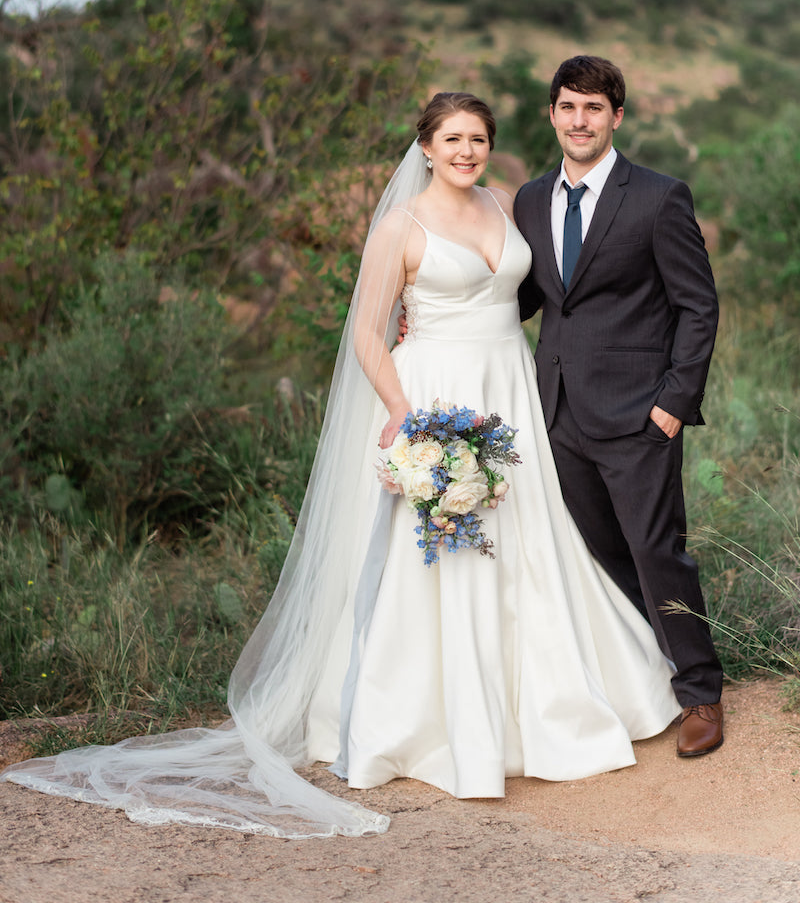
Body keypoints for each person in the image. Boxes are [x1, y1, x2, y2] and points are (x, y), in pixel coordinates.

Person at [1, 91, 680, 838]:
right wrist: (403, 417)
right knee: (440, 561)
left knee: (530, 544)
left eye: (478, 139)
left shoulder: (505, 203)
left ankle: (546, 708)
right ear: (425, 146)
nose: (466, 151)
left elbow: (533, 292)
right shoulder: (399, 225)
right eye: (452, 138)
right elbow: (366, 333)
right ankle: (436, 726)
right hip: (435, 398)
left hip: (510, 388)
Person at [513, 55, 724, 758]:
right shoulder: (529, 199)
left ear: (616, 117)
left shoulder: (659, 198)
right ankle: (639, 678)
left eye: (594, 109)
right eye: (569, 107)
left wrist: (673, 403)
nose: (580, 120)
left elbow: (698, 305)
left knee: (657, 552)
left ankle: (699, 690)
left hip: (640, 416)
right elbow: (531, 298)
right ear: (552, 114)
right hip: (558, 412)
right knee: (597, 557)